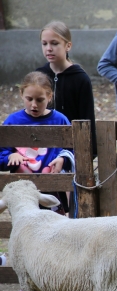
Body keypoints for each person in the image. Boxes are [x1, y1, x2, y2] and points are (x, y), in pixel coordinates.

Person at [0, 71, 74, 214]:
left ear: (49, 97)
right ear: (21, 94)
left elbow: (71, 149)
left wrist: (63, 159)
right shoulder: (12, 122)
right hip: (22, 192)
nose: (34, 105)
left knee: (54, 228)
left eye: (39, 100)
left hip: (53, 189)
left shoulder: (60, 120)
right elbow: (1, 153)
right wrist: (9, 157)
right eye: (29, 99)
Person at [36, 21, 97, 158]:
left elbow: (87, 117)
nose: (49, 48)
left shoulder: (80, 79)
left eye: (54, 43)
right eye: (44, 44)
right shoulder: (39, 76)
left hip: (71, 149)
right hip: (43, 148)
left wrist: (88, 153)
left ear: (68, 45)